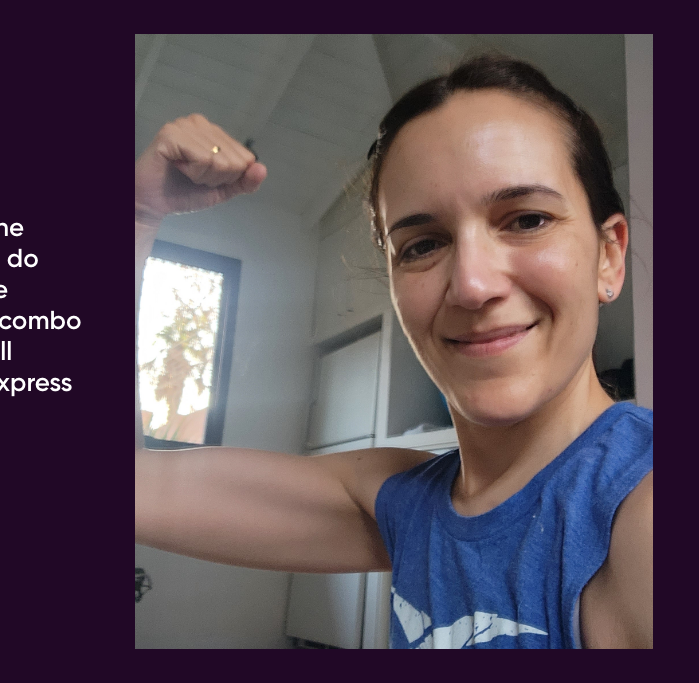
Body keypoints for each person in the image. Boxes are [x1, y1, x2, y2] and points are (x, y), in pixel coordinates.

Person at [134, 55, 652, 649]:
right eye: (422, 245)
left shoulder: (642, 505)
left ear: (609, 256)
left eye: (527, 219)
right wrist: (137, 213)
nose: (472, 284)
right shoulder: (405, 505)